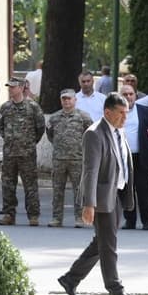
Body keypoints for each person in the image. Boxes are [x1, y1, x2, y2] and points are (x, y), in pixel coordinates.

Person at [57, 93, 134, 295]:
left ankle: (71, 279)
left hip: (116, 194)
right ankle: (115, 289)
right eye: (120, 113)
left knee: (102, 241)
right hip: (101, 197)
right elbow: (90, 170)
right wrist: (89, 203)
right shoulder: (94, 134)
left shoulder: (119, 131)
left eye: (126, 113)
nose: (124, 118)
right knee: (108, 244)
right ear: (107, 112)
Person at [0, 76, 45, 226]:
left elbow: (40, 128)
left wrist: (29, 142)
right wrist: (11, 140)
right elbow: (1, 127)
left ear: (22, 87)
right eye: (9, 86)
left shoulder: (33, 107)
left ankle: (33, 215)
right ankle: (9, 214)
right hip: (10, 153)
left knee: (30, 185)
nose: (10, 89)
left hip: (27, 153)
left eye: (13, 86)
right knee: (8, 185)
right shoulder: (5, 108)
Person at [45, 88, 93, 227]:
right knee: (57, 190)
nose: (66, 101)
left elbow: (90, 136)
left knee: (79, 190)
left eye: (69, 98)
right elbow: (50, 135)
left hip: (77, 159)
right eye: (64, 99)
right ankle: (56, 218)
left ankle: (79, 218)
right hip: (59, 159)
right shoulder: (54, 118)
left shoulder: (84, 117)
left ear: (75, 100)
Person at [119, 77, 148, 230]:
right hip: (122, 157)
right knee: (126, 190)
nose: (128, 97)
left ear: (135, 95)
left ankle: (147, 220)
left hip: (141, 157)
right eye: (125, 95)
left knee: (144, 190)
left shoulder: (146, 112)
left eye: (130, 94)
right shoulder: (114, 113)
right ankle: (130, 220)